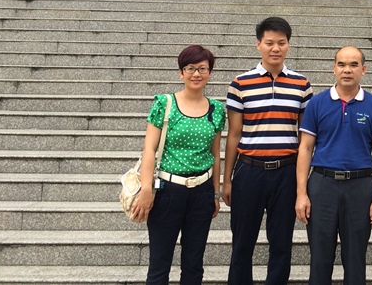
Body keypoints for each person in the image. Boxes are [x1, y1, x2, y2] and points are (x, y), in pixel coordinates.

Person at [223, 17, 313, 285]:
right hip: (249, 171)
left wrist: (302, 185)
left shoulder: (302, 84)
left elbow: (305, 138)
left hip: (286, 172)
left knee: (282, 242)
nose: (276, 48)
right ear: (258, 44)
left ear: (288, 45)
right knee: (242, 242)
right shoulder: (240, 83)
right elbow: (234, 134)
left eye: (281, 43)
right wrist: (227, 180)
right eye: (269, 43)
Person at [130, 45, 226, 285]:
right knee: (159, 265)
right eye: (190, 68)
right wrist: (146, 189)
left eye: (202, 68)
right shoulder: (165, 103)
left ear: (210, 73)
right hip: (168, 191)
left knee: (194, 265)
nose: (196, 74)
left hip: (202, 191)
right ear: (181, 72)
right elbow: (149, 149)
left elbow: (215, 153)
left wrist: (215, 193)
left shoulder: (216, 109)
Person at [295, 46, 372, 285]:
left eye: (354, 65)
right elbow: (305, 148)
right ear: (334, 68)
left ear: (364, 69)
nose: (347, 70)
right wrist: (301, 194)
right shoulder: (317, 103)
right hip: (322, 186)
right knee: (320, 258)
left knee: (356, 258)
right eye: (342, 64)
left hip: (360, 187)